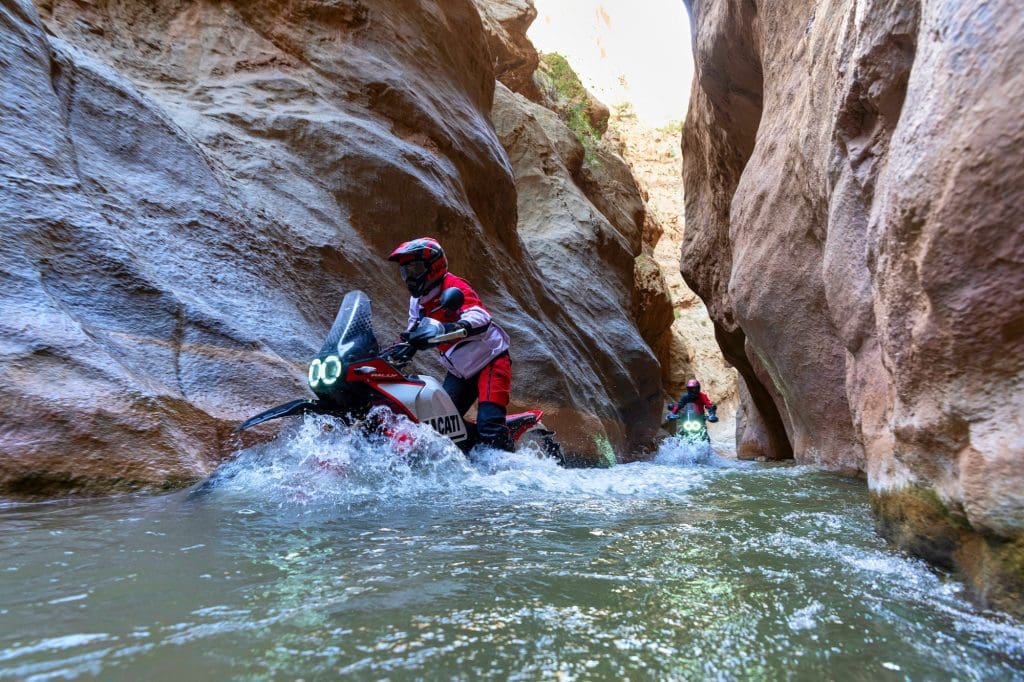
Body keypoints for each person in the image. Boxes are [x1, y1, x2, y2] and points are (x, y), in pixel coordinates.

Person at [388, 237, 514, 451]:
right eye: (405, 271)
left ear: (434, 266)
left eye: (415, 269)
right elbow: (413, 329)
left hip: (489, 361)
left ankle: (509, 467)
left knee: (490, 424)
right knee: (441, 425)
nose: (410, 277)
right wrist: (395, 350)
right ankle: (471, 454)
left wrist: (452, 327)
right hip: (460, 371)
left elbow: (480, 315)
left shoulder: (454, 287)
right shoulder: (417, 301)